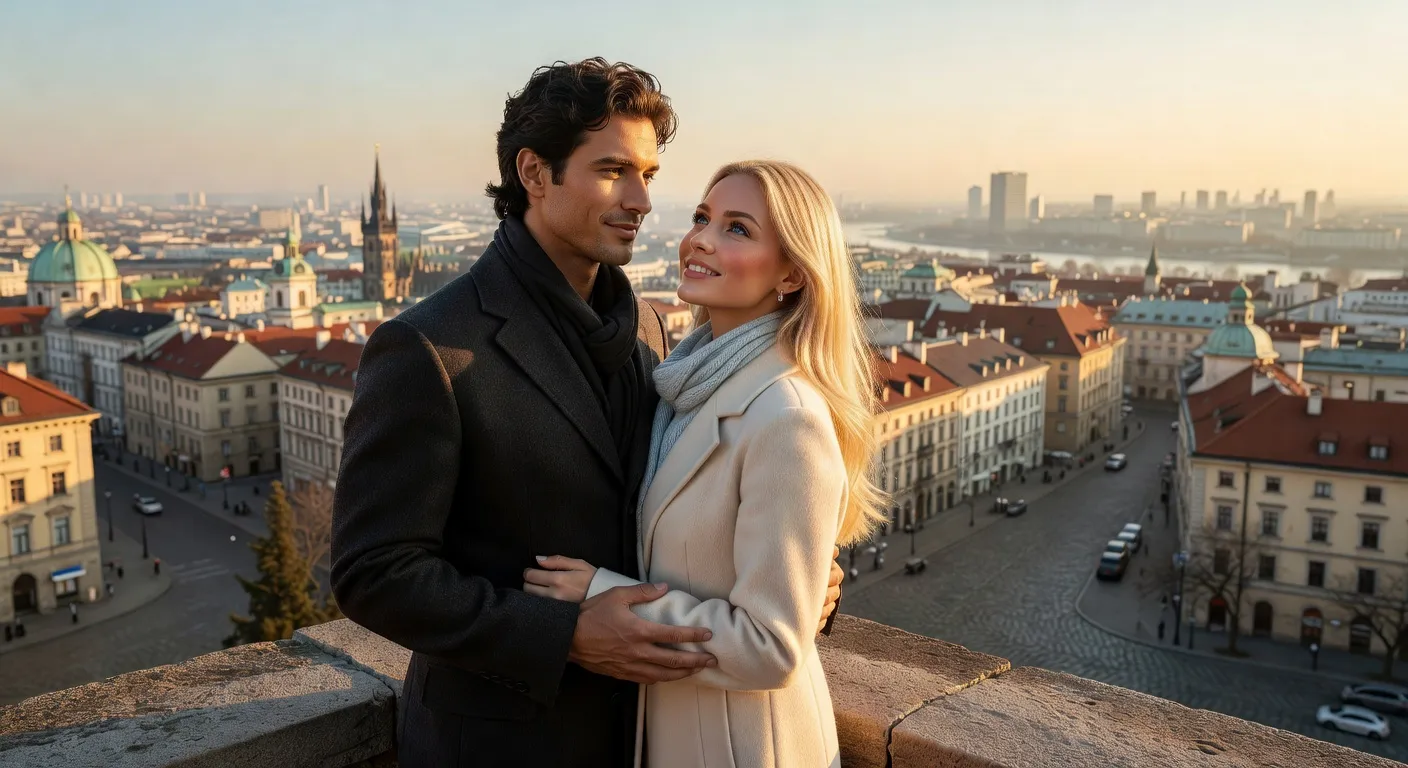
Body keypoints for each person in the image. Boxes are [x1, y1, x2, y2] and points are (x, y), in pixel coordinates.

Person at [331, 61, 842, 768]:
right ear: (535, 174)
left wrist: (803, 575)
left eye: (650, 176)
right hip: (501, 743)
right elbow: (373, 572)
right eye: (612, 171)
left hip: (650, 729)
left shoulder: (649, 331)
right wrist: (562, 632)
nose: (640, 200)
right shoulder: (432, 345)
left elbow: (704, 511)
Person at [526, 160, 880, 768]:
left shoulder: (785, 414)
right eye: (702, 217)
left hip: (744, 745)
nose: (702, 239)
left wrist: (604, 593)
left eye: (738, 229)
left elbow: (772, 646)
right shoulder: (684, 382)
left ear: (793, 272)